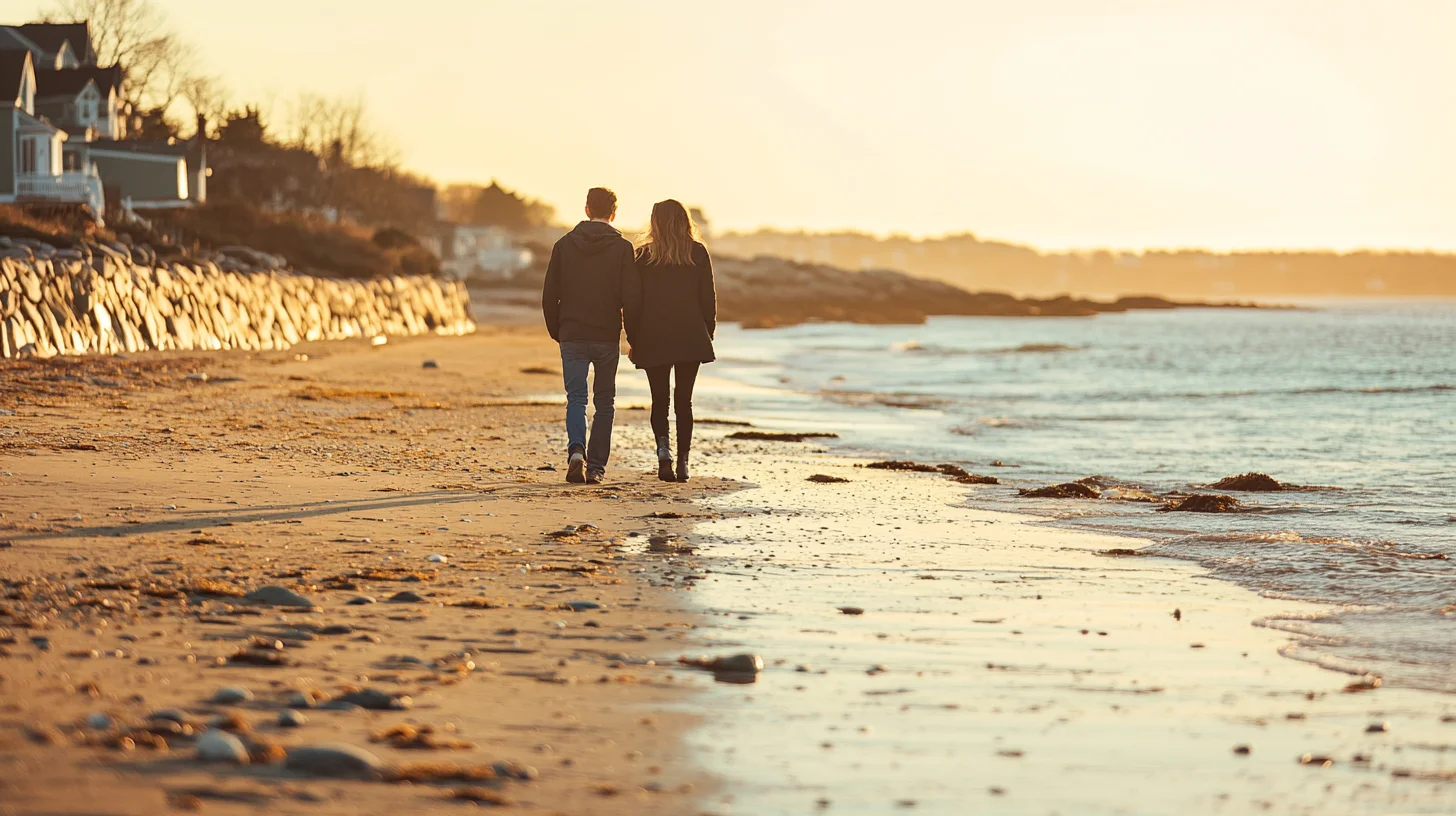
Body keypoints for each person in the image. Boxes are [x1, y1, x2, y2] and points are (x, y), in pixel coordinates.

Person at [541, 187, 640, 484]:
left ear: (586, 209)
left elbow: (549, 295)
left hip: (572, 332)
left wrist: (557, 331)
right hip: (606, 336)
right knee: (605, 402)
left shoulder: (563, 245)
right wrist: (632, 336)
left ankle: (576, 452)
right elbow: (631, 297)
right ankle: (596, 467)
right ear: (614, 213)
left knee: (576, 398)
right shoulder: (623, 248)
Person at [626, 200, 716, 483]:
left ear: (655, 222)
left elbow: (633, 303)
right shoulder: (697, 253)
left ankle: (664, 455)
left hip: (654, 336)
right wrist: (707, 334)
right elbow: (708, 300)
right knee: (684, 402)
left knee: (659, 401)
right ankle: (684, 464)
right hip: (690, 335)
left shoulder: (643, 256)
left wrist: (634, 338)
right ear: (684, 221)